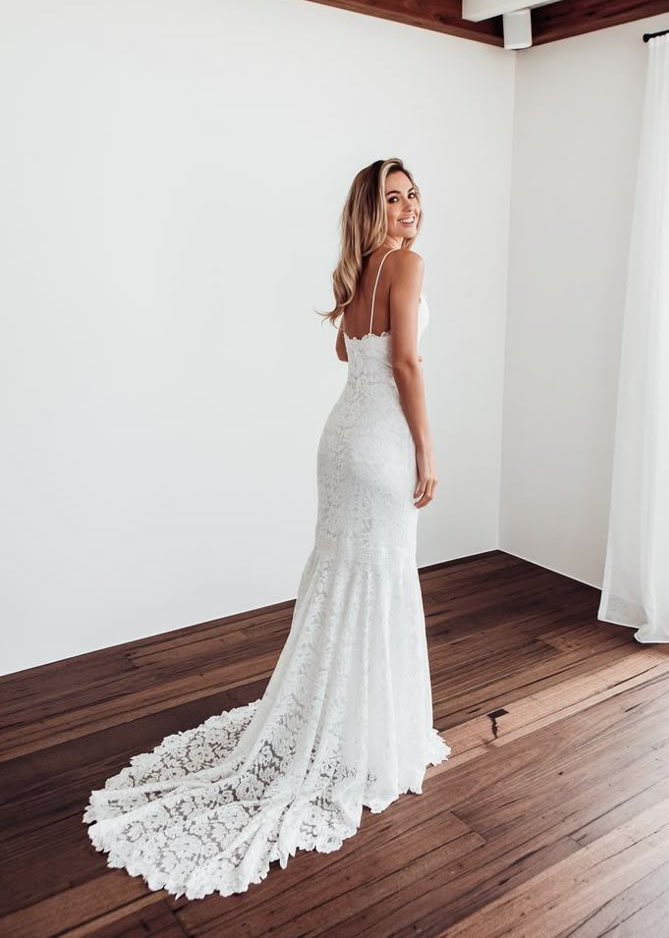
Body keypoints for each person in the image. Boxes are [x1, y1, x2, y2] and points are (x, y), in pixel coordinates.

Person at [83, 156, 450, 900]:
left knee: (341, 575)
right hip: (381, 443)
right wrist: (428, 448)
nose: (409, 208)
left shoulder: (356, 277)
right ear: (371, 209)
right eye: (393, 197)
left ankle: (336, 720)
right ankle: (371, 733)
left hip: (342, 439)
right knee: (378, 577)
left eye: (413, 196)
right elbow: (405, 363)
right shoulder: (405, 266)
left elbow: (349, 353)